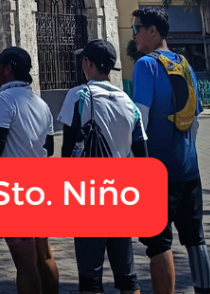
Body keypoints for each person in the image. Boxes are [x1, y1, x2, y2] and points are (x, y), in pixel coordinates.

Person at [131, 8, 210, 294]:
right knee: (195, 239)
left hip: (157, 169)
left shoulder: (145, 65)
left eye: (136, 29)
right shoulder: (184, 63)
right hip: (189, 167)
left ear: (152, 30)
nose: (135, 35)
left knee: (158, 243)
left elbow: (139, 121)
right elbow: (196, 119)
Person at [59, 39, 146, 294]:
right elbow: (142, 155)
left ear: (88, 63)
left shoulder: (78, 96)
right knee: (127, 276)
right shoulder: (128, 102)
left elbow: (67, 150)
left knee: (90, 277)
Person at [0, 46, 56, 294]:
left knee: (25, 264)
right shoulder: (40, 102)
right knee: (43, 255)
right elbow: (50, 146)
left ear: (8, 68)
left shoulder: (4, 99)